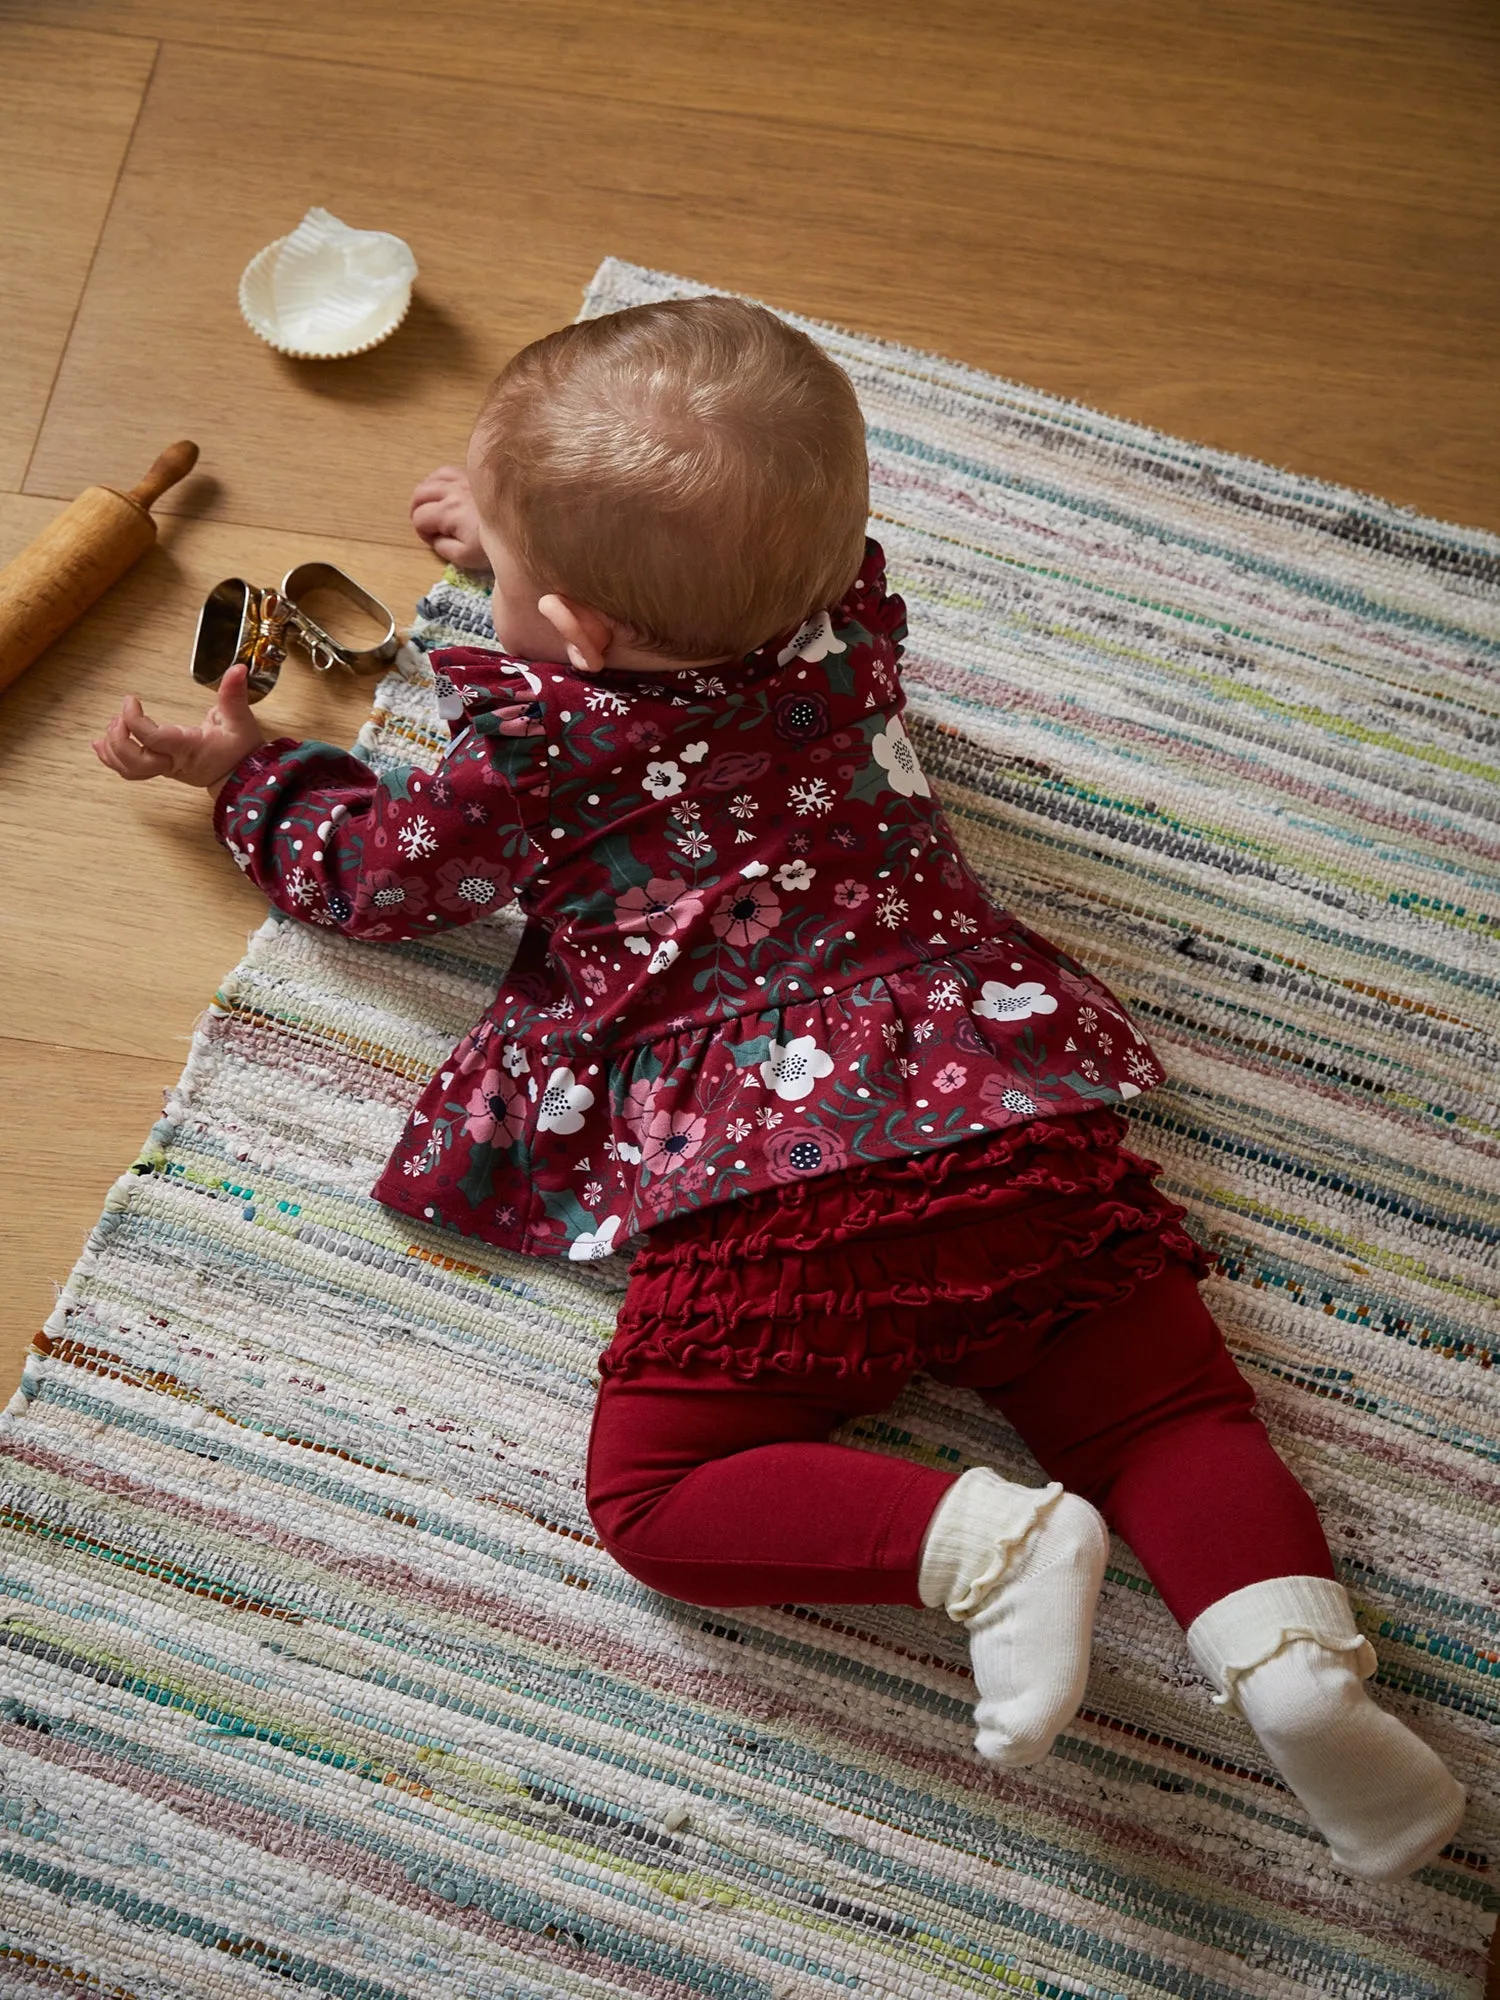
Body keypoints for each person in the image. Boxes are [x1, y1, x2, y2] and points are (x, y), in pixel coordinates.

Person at [93, 295, 1464, 1880]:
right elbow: (697, 591)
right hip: (993, 1120)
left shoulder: (532, 746)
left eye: (532, 591)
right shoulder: (846, 631)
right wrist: (517, 544)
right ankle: (1289, 1664)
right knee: (1165, 1411)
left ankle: (985, 1546)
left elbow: (381, 879)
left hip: (762, 1189)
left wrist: (253, 779)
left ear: (579, 631)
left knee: (657, 1497)